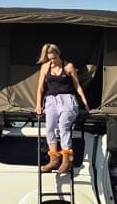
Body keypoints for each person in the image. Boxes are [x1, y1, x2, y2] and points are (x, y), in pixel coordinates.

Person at [34, 43, 90, 173]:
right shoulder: (45, 67)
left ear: (58, 55)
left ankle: (67, 160)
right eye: (50, 59)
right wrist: (38, 104)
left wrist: (85, 102)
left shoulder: (68, 66)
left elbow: (77, 86)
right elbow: (40, 88)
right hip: (51, 100)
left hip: (67, 99)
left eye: (54, 58)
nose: (52, 61)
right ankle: (54, 159)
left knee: (64, 126)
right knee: (49, 127)